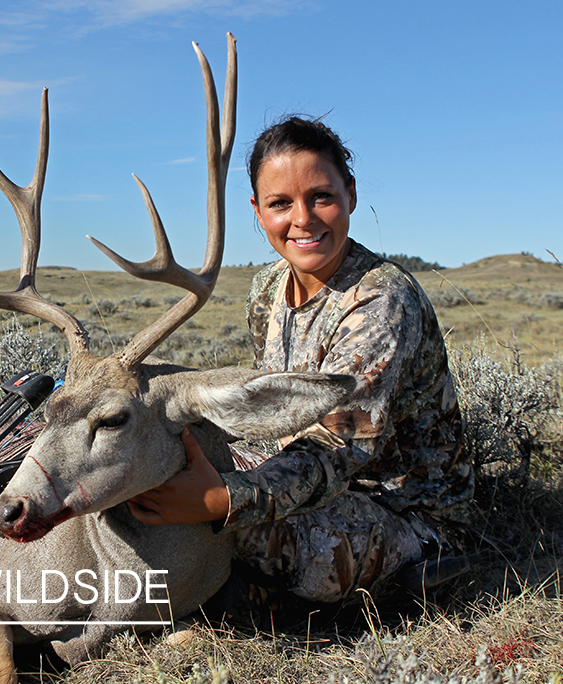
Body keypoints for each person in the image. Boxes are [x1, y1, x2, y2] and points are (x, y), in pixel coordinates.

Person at [127, 115, 473, 613]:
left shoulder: (381, 301)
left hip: (406, 517)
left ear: (350, 195)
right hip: (311, 489)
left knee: (240, 532)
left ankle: (235, 593)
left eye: (321, 197)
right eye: (280, 204)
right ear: (257, 210)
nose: (303, 219)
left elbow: (340, 447)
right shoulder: (266, 290)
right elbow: (269, 413)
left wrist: (225, 500)